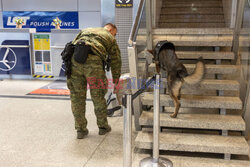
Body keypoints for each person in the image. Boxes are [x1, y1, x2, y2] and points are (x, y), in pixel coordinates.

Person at [66, 23, 121, 139]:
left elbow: (72, 44)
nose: (114, 36)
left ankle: (80, 130)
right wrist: (116, 80)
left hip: (75, 60)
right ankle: (103, 127)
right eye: (115, 34)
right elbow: (116, 60)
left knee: (76, 98)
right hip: (94, 62)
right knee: (98, 96)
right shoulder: (109, 37)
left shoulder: (86, 29)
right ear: (111, 30)